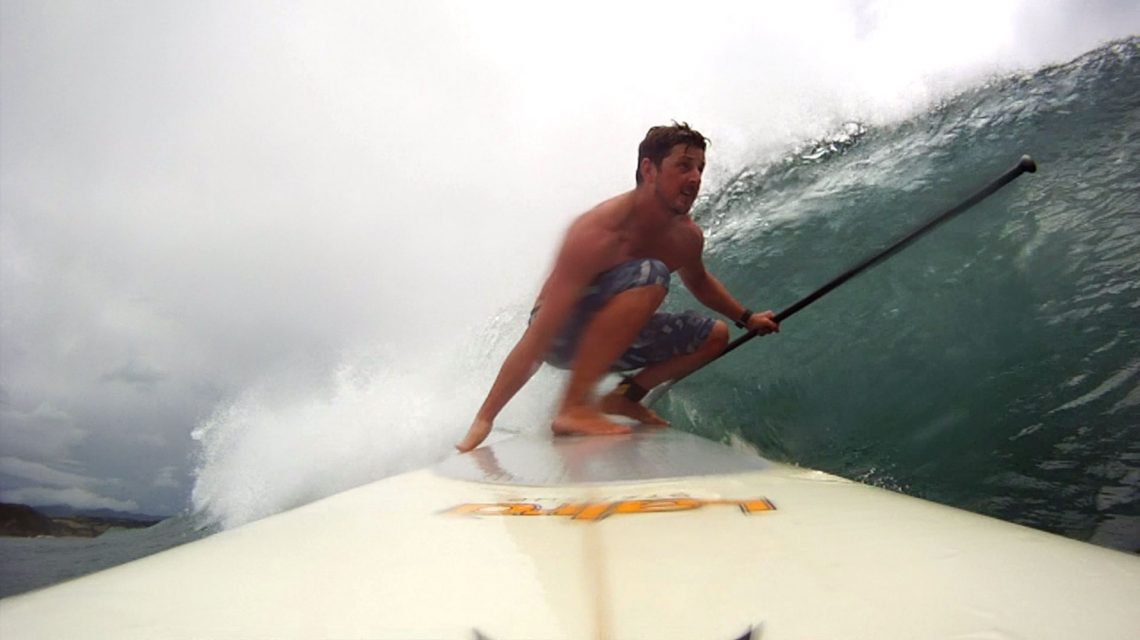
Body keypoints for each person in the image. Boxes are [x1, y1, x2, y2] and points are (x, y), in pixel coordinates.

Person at [455, 122, 779, 453]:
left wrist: (747, 317)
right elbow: (542, 332)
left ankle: (623, 397)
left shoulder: (686, 237)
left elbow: (699, 282)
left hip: (616, 340)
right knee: (650, 272)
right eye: (684, 166)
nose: (695, 178)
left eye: (700, 168)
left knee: (714, 336)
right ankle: (573, 408)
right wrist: (485, 419)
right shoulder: (598, 231)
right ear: (649, 169)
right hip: (559, 335)